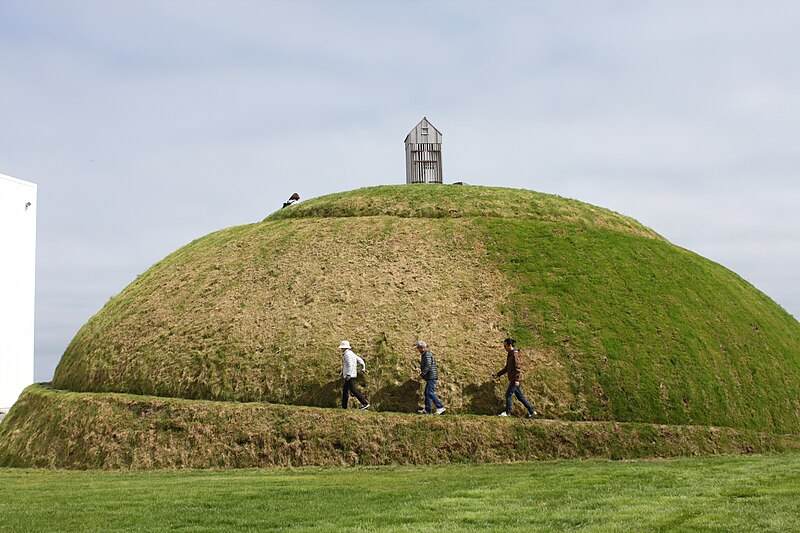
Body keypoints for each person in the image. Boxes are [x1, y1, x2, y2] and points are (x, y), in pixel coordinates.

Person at [492, 338, 537, 418]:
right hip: (515, 379)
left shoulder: (514, 355)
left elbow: (517, 368)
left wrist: (516, 380)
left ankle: (507, 412)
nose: (504, 348)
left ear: (510, 345)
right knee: (520, 397)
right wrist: (498, 374)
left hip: (516, 379)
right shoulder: (510, 354)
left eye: (505, 346)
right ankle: (532, 411)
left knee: (508, 395)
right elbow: (507, 368)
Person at [414, 341, 446, 415]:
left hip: (431, 376)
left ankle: (440, 407)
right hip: (430, 376)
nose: (417, 349)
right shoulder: (425, 354)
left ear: (422, 347)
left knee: (430, 392)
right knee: (427, 393)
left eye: (418, 348)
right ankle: (427, 410)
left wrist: (421, 375)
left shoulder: (427, 355)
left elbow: (428, 366)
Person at [340, 340, 370, 410]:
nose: (341, 349)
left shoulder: (347, 355)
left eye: (341, 348)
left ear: (344, 348)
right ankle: (344, 406)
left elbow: (350, 365)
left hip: (349, 376)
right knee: (345, 390)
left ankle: (365, 403)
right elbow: (361, 361)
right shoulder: (352, 353)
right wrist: (363, 369)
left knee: (353, 390)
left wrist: (348, 375)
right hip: (351, 375)